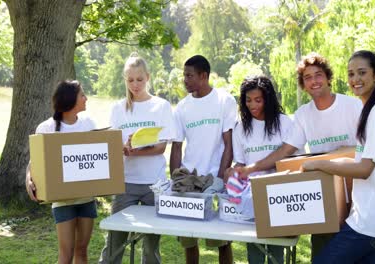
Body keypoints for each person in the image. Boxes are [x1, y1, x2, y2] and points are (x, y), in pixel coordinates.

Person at [236, 52, 363, 260]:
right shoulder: (303, 114)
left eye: (318, 75)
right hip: (326, 199)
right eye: (307, 78)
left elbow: (368, 150)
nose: (314, 81)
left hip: (359, 197)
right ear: (303, 84)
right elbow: (286, 151)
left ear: (328, 77)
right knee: (322, 256)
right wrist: (251, 168)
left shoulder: (353, 106)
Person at [302, 50, 375, 263]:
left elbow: (364, 170)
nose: (355, 79)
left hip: (367, 222)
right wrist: (326, 163)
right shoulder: (371, 110)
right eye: (351, 74)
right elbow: (360, 161)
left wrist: (321, 163)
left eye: (362, 72)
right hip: (372, 220)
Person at [99, 53, 175, 264]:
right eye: (130, 80)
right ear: (125, 79)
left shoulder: (161, 106)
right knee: (114, 242)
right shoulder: (117, 108)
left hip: (155, 184)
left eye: (139, 79)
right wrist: (122, 148)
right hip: (125, 183)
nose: (135, 84)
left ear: (148, 77)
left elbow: (161, 147)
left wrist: (137, 150)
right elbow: (112, 144)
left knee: (151, 247)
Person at [170, 55, 237, 264]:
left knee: (221, 241)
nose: (185, 80)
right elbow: (177, 146)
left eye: (189, 76)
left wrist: (219, 179)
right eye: (184, 75)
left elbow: (229, 144)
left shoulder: (224, 101)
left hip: (214, 179)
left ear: (204, 76)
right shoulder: (181, 107)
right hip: (188, 180)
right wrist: (175, 179)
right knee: (189, 239)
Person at [26, 80, 97, 264]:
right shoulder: (46, 128)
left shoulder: (89, 123)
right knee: (66, 254)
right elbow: (34, 163)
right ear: (70, 100)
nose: (86, 98)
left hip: (86, 199)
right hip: (62, 201)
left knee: (81, 251)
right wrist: (29, 180)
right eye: (82, 95)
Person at [225, 76, 294, 264]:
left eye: (258, 100)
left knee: (276, 254)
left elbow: (294, 160)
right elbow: (240, 163)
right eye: (248, 100)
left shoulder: (285, 123)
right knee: (254, 253)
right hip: (250, 198)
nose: (252, 105)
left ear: (268, 99)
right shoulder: (240, 129)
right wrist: (233, 171)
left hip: (279, 197)